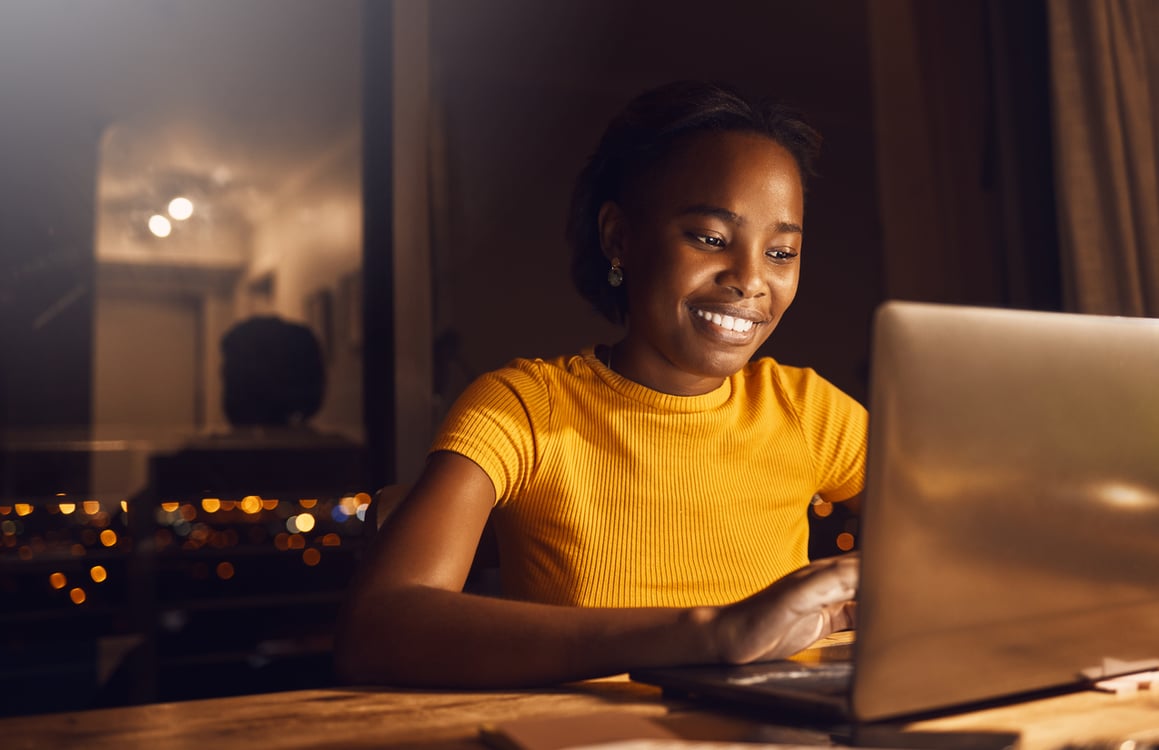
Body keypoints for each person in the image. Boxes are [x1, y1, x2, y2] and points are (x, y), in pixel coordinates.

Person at [335, 81, 868, 688]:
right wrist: (711, 634)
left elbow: (965, 538)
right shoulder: (523, 408)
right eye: (711, 239)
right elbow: (378, 626)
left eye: (781, 252)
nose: (750, 279)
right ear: (619, 237)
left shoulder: (805, 408)